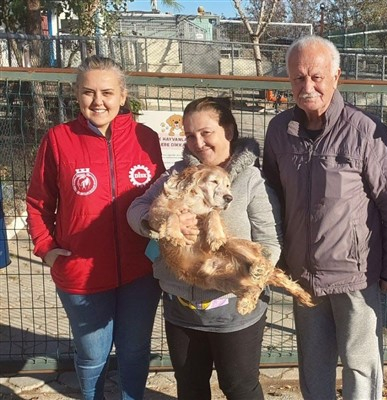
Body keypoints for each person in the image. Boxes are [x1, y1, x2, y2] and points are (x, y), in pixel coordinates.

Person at [262, 35, 387, 399]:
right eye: (298, 78)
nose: (307, 86)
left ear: (336, 77)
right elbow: (270, 197)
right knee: (313, 365)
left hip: (354, 275)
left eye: (316, 77)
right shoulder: (280, 131)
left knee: (361, 364)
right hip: (302, 275)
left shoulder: (363, 131)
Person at [26, 55, 165, 400]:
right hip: (81, 273)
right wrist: (47, 250)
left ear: (122, 94)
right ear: (77, 95)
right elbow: (38, 202)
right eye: (88, 92)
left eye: (107, 92)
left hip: (140, 272)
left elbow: (163, 196)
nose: (98, 101)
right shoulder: (59, 140)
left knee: (134, 351)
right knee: (92, 355)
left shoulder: (146, 138)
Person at [127, 97, 282, 400]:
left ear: (228, 131)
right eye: (189, 135)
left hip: (233, 311)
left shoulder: (251, 180)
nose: (198, 143)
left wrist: (247, 277)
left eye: (206, 132)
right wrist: (157, 221)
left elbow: (270, 244)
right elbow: (136, 210)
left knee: (239, 387)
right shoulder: (179, 175)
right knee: (191, 388)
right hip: (181, 306)